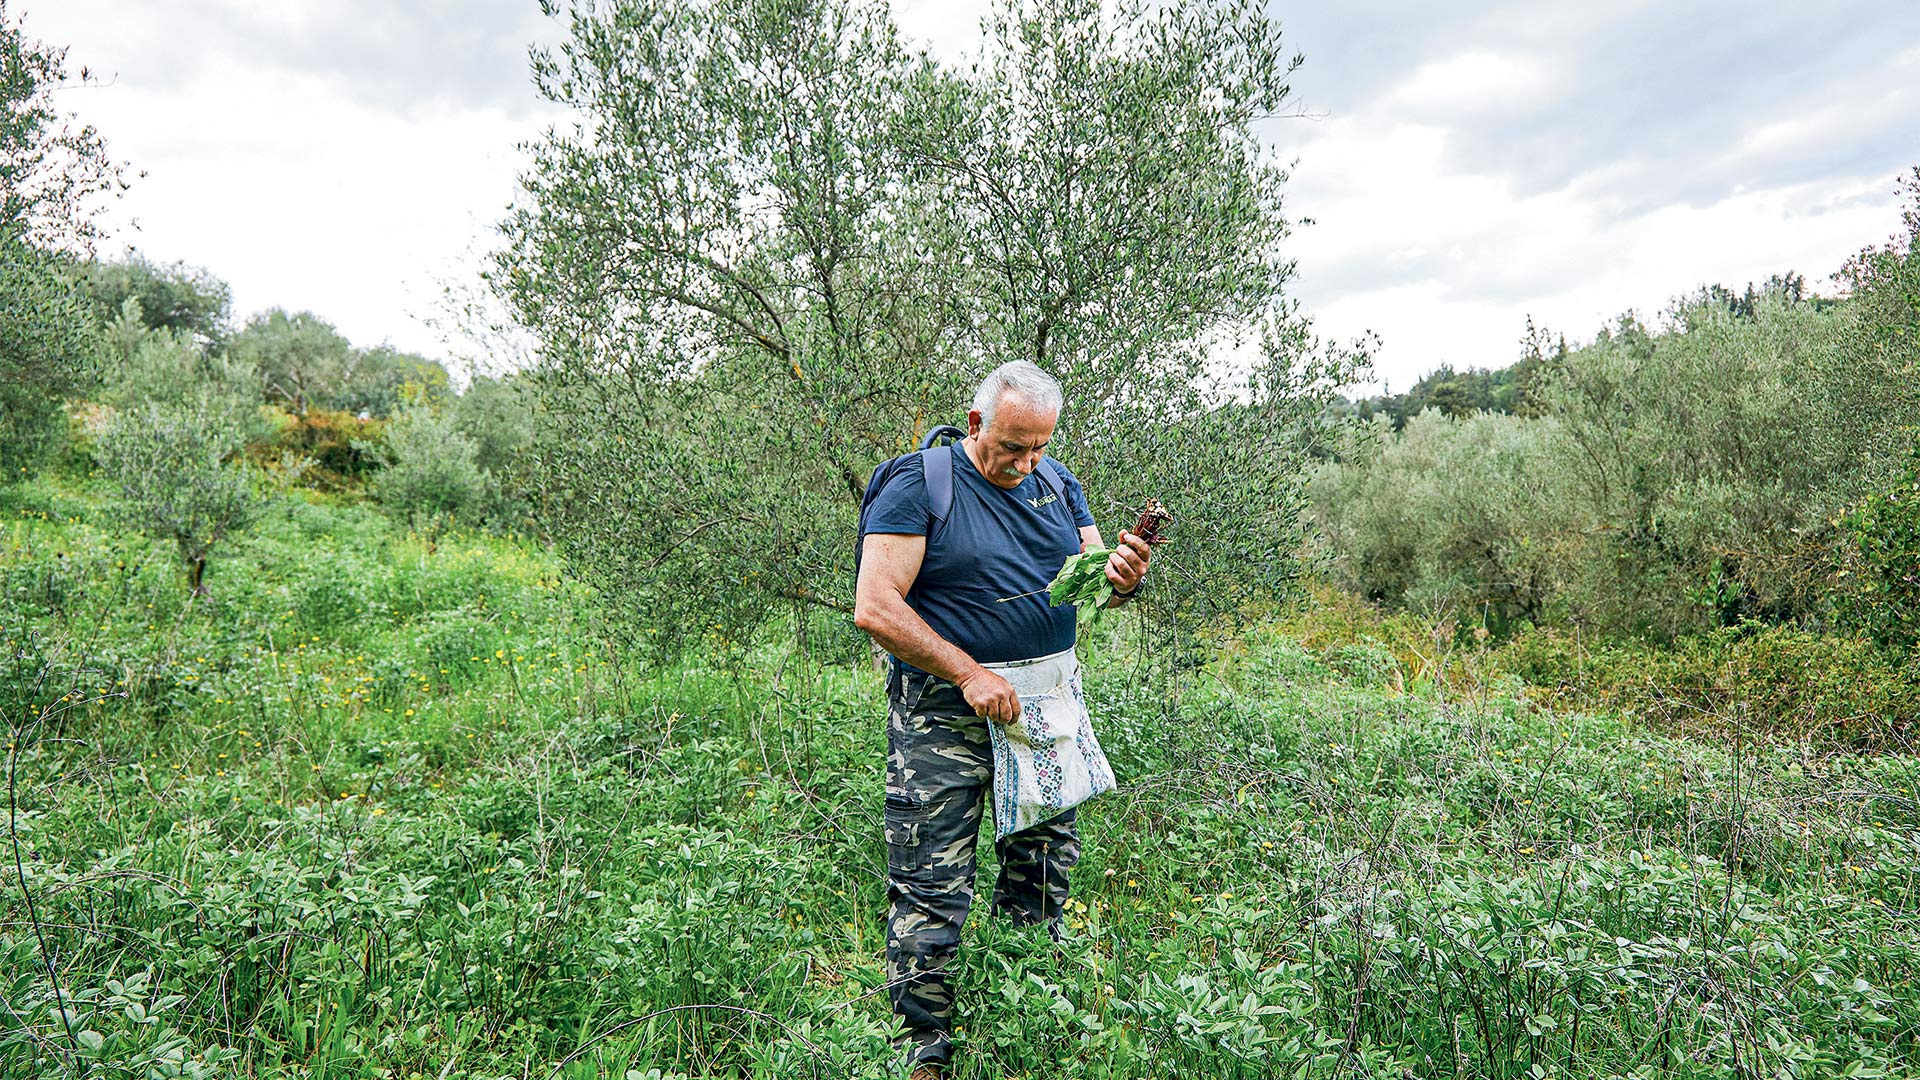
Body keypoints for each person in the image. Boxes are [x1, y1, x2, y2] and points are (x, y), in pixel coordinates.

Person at [853, 360, 1152, 1079]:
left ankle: (1026, 1022)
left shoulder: (1057, 483)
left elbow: (1088, 581)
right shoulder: (920, 483)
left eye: (1040, 446)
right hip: (944, 719)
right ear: (978, 423)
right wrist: (966, 672)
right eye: (1013, 446)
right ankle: (923, 1054)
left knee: (1042, 875)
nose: (1026, 463)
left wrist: (1121, 580)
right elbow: (875, 605)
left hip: (1045, 717)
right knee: (931, 887)